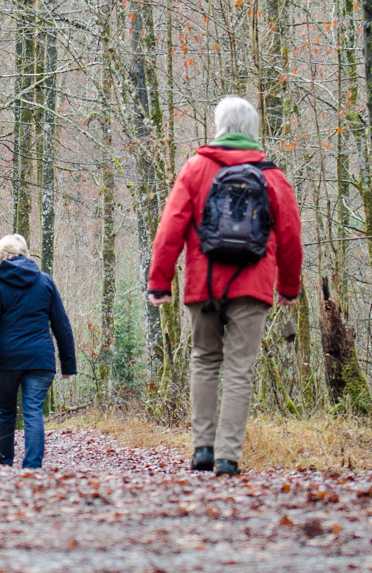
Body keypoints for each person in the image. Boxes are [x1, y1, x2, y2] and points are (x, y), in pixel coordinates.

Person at [145, 96, 303, 476]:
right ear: (252, 129)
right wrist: (289, 287)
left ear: (219, 126)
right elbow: (290, 234)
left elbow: (171, 227)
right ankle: (227, 457)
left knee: (204, 359)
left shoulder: (196, 168)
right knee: (239, 368)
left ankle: (202, 447)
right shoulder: (271, 175)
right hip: (254, 283)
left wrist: (159, 281)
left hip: (203, 283)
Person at [0, 233, 77, 469]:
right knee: (33, 410)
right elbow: (61, 324)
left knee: (6, 410)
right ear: (25, 253)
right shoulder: (45, 281)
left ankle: (3, 464)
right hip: (39, 359)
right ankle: (32, 467)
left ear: (1, 255)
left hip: (5, 359)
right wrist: (68, 364)